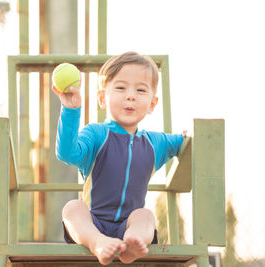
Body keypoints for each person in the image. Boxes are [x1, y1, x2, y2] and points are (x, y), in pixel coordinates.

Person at [52, 51, 186, 265]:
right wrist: (71, 109)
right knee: (72, 208)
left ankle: (131, 247)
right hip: (92, 224)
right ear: (103, 98)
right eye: (121, 88)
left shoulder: (156, 143)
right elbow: (66, 153)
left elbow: (183, 142)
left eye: (140, 90)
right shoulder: (96, 134)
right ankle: (98, 243)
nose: (130, 96)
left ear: (152, 103)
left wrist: (189, 138)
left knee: (146, 216)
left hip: (128, 227)